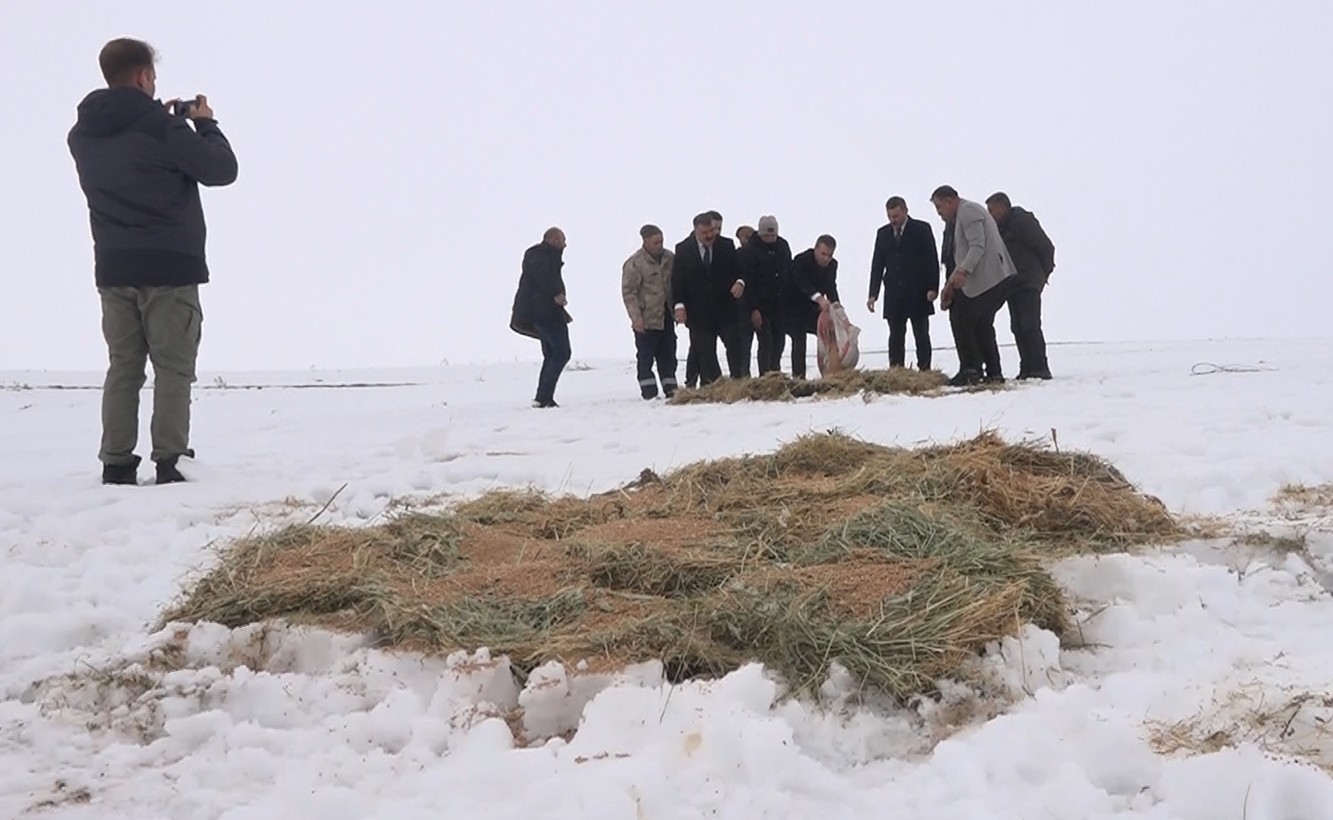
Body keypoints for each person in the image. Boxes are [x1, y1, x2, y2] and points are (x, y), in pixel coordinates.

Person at [67, 38, 238, 486]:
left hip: (113, 266)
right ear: (144, 75)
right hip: (169, 267)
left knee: (123, 367)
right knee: (173, 368)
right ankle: (171, 460)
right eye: (153, 76)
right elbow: (222, 170)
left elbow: (132, 153)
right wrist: (204, 124)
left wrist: (158, 121)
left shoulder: (82, 135)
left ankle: (116, 462)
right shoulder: (165, 129)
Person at [930, 186, 1016, 386]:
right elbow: (962, 255)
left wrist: (963, 272)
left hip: (991, 279)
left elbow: (977, 245)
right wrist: (949, 286)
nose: (939, 213)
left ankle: (971, 369)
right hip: (993, 280)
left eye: (939, 207)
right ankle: (993, 372)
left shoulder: (968, 211)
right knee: (981, 323)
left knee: (961, 317)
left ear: (950, 201)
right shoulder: (961, 216)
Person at [986, 192, 1056, 380]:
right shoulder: (999, 229)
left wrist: (1043, 273)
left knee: (1029, 324)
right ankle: (1026, 367)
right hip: (1012, 283)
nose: (990, 215)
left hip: (1028, 281)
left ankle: (1039, 367)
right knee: (1017, 326)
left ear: (1003, 206)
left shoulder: (1021, 221)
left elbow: (1045, 247)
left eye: (992, 210)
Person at [673, 213, 746, 386]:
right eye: (705, 232)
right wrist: (679, 305)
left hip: (726, 309)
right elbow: (677, 280)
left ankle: (739, 383)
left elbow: (740, 270)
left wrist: (740, 282)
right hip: (698, 313)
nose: (709, 235)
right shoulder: (683, 249)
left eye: (712, 231)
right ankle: (712, 386)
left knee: (736, 348)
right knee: (705, 352)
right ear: (696, 231)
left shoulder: (727, 245)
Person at [868, 196, 940, 371]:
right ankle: (896, 370)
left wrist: (933, 287)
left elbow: (932, 260)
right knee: (895, 335)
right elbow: (877, 264)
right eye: (890, 216)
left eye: (896, 216)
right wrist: (873, 294)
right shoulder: (883, 234)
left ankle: (925, 369)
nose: (893, 220)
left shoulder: (921, 229)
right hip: (894, 293)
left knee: (921, 334)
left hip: (918, 292)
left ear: (906, 211)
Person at [510, 228, 572, 408]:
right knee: (562, 352)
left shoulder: (543, 256)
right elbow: (542, 278)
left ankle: (543, 396)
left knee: (552, 353)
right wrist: (556, 294)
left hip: (543, 312)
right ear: (553, 240)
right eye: (562, 240)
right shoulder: (540, 255)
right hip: (545, 314)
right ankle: (544, 397)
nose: (565, 244)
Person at [621, 224, 678, 399]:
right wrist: (636, 318)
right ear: (645, 241)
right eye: (655, 242)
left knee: (668, 354)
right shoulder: (635, 263)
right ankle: (649, 392)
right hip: (646, 318)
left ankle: (671, 389)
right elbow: (629, 293)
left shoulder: (670, 258)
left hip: (666, 316)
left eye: (661, 241)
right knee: (645, 357)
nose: (659, 245)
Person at [738, 215, 792, 375]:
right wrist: (754, 309)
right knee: (765, 342)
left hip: (779, 304)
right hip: (760, 305)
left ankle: (775, 372)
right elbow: (749, 282)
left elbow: (788, 273)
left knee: (779, 341)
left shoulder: (783, 246)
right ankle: (765, 375)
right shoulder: (750, 251)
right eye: (767, 236)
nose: (770, 239)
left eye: (773, 235)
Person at [784, 235, 840, 379]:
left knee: (830, 333)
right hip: (792, 307)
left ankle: (832, 372)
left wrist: (836, 305)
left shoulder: (832, 265)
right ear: (815, 249)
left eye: (830, 255)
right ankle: (799, 377)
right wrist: (819, 299)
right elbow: (802, 283)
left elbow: (831, 286)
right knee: (799, 339)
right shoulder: (801, 261)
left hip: (813, 309)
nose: (826, 259)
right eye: (823, 254)